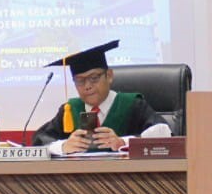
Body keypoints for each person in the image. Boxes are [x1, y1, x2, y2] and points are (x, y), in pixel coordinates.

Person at [31, 40, 170, 154]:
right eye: (80, 80)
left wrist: (123, 143)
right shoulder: (70, 109)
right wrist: (64, 146)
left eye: (94, 78)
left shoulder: (132, 105)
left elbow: (165, 133)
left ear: (109, 76)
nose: (87, 86)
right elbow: (40, 140)